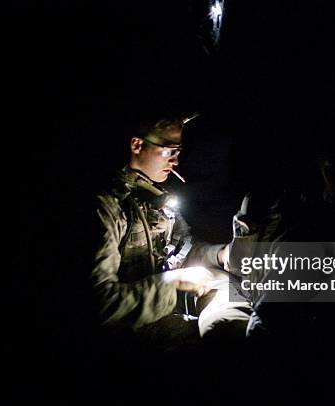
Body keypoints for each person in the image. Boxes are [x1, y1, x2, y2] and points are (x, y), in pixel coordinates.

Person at [87, 114, 250, 345]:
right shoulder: (105, 207)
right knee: (204, 340)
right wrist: (171, 282)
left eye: (178, 152)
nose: (175, 161)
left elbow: (182, 249)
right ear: (136, 145)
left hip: (163, 301)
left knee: (227, 287)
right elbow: (101, 303)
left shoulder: (154, 195)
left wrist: (219, 254)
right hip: (128, 325)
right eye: (168, 151)